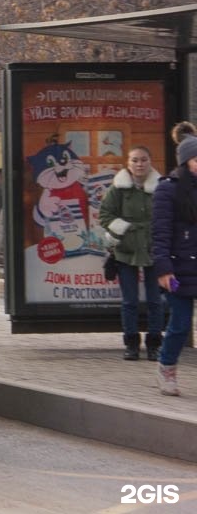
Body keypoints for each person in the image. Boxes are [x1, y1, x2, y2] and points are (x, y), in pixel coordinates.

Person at [99, 146, 163, 360]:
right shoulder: (118, 188)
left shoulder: (161, 187)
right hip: (125, 249)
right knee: (129, 301)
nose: (139, 164)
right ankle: (131, 344)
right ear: (128, 163)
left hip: (154, 248)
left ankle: (154, 344)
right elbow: (105, 214)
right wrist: (123, 229)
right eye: (135, 160)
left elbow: (168, 215)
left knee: (156, 300)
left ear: (150, 162)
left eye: (143, 160)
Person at [150, 122, 197, 396]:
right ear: (185, 161)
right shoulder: (168, 189)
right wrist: (164, 269)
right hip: (178, 270)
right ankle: (167, 367)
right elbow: (160, 232)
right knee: (179, 323)